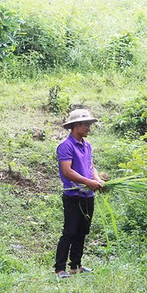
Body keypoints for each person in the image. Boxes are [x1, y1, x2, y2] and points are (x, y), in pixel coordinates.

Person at [55, 108, 103, 279]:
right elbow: (67, 171)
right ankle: (60, 269)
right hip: (73, 196)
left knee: (83, 230)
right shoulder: (65, 146)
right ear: (76, 125)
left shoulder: (87, 145)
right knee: (70, 231)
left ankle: (76, 265)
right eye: (87, 125)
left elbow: (91, 166)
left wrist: (97, 180)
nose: (89, 128)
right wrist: (88, 182)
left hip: (88, 196)